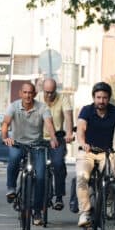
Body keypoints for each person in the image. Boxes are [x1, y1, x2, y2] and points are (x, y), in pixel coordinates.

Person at [76, 81, 115, 227]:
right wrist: (83, 142)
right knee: (82, 177)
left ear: (108, 98)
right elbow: (80, 128)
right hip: (88, 151)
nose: (101, 101)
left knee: (112, 177)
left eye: (104, 98)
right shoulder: (86, 110)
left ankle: (109, 205)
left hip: (106, 152)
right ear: (93, 97)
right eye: (98, 97)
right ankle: (85, 212)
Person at [1, 82, 59, 226]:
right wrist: (5, 137)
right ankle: (11, 188)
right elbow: (5, 123)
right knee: (14, 158)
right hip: (17, 143)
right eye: (25, 92)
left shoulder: (42, 107)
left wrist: (53, 138)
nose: (27, 95)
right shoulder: (13, 106)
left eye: (30, 93)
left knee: (41, 176)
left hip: (36, 145)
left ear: (34, 94)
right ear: (21, 93)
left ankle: (37, 210)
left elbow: (49, 124)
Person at [42, 78, 74, 211]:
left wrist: (69, 133)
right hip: (39, 139)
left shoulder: (63, 99)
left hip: (58, 139)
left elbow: (68, 117)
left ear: (56, 90)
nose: (49, 95)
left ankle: (59, 197)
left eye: (52, 92)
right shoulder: (37, 98)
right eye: (46, 92)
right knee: (34, 167)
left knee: (58, 164)